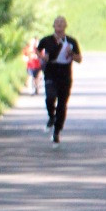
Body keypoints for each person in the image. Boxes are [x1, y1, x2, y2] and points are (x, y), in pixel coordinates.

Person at [37, 15, 82, 146]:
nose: (60, 24)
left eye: (62, 22)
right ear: (53, 25)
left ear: (66, 26)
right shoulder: (46, 40)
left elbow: (79, 59)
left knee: (62, 105)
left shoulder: (71, 41)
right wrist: (42, 57)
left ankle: (57, 131)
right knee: (50, 97)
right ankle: (51, 116)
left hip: (65, 75)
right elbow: (38, 51)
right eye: (57, 22)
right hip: (50, 73)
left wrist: (71, 54)